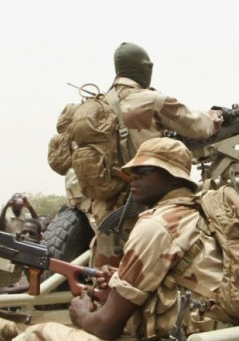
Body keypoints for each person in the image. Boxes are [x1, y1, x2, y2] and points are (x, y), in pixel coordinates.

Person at [12, 138, 224, 341]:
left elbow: (106, 325)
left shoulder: (157, 224)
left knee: (34, 335)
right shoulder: (203, 214)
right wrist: (118, 278)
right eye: (133, 171)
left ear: (172, 176)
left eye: (145, 170)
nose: (133, 178)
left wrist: (81, 313)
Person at [88, 42, 223, 268]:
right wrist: (217, 118)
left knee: (103, 281)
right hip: (148, 205)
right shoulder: (151, 101)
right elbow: (198, 126)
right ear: (144, 68)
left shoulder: (95, 107)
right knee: (147, 279)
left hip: (105, 208)